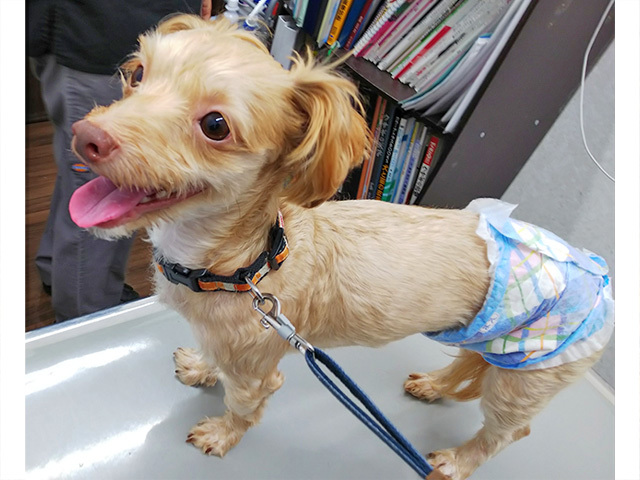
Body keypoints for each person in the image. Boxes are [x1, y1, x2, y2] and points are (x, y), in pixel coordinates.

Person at [27, 0, 201, 322]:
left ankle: (59, 271)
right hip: (100, 37)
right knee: (112, 196)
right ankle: (87, 316)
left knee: (83, 180)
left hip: (94, 34)